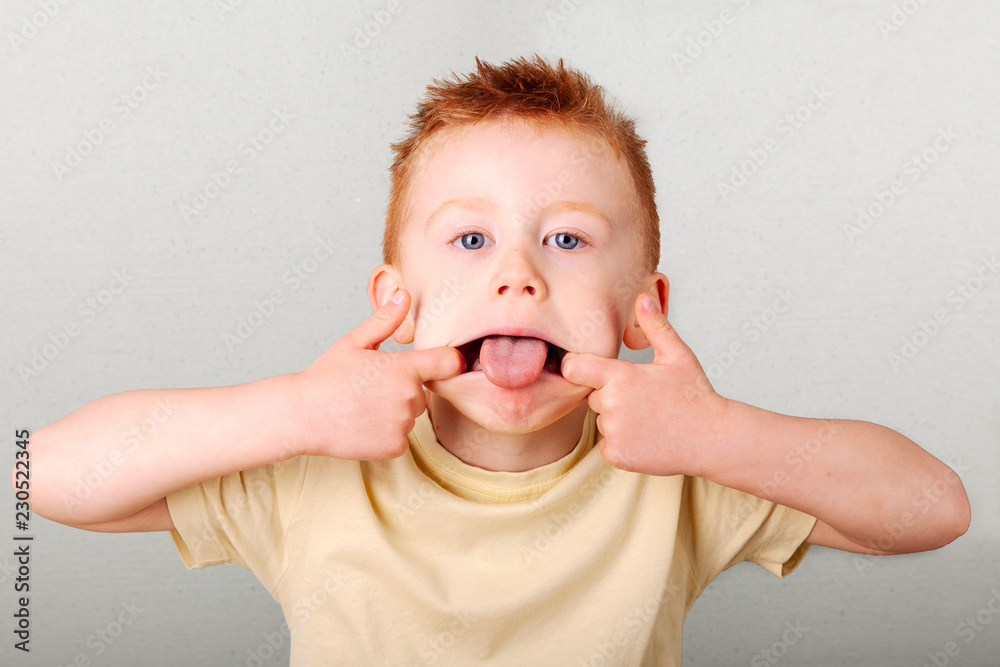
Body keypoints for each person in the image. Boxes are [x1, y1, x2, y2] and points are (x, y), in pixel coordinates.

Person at [25, 56, 970, 665]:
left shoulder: (686, 468)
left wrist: (723, 432)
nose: (517, 276)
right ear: (395, 299)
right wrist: (296, 410)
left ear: (644, 308)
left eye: (566, 240)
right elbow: (47, 473)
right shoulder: (312, 465)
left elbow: (933, 509)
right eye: (470, 241)